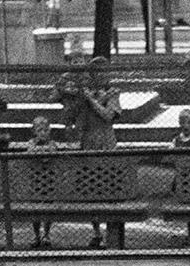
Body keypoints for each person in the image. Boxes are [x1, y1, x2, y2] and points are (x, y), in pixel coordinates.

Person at [70, 57, 120, 246]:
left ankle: (111, 231)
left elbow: (108, 115)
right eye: (96, 72)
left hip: (106, 140)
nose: (100, 75)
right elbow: (73, 115)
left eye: (103, 71)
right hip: (89, 140)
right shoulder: (84, 93)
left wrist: (93, 100)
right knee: (90, 187)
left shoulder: (113, 92)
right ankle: (96, 232)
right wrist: (83, 98)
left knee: (108, 185)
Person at [25, 115, 64, 248]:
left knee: (48, 208)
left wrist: (40, 151)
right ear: (34, 131)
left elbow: (53, 151)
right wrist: (42, 151)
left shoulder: (52, 143)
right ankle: (36, 235)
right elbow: (30, 151)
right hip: (35, 180)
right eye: (40, 130)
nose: (43, 133)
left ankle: (46, 234)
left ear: (49, 131)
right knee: (35, 208)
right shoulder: (31, 142)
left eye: (45, 130)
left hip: (48, 180)